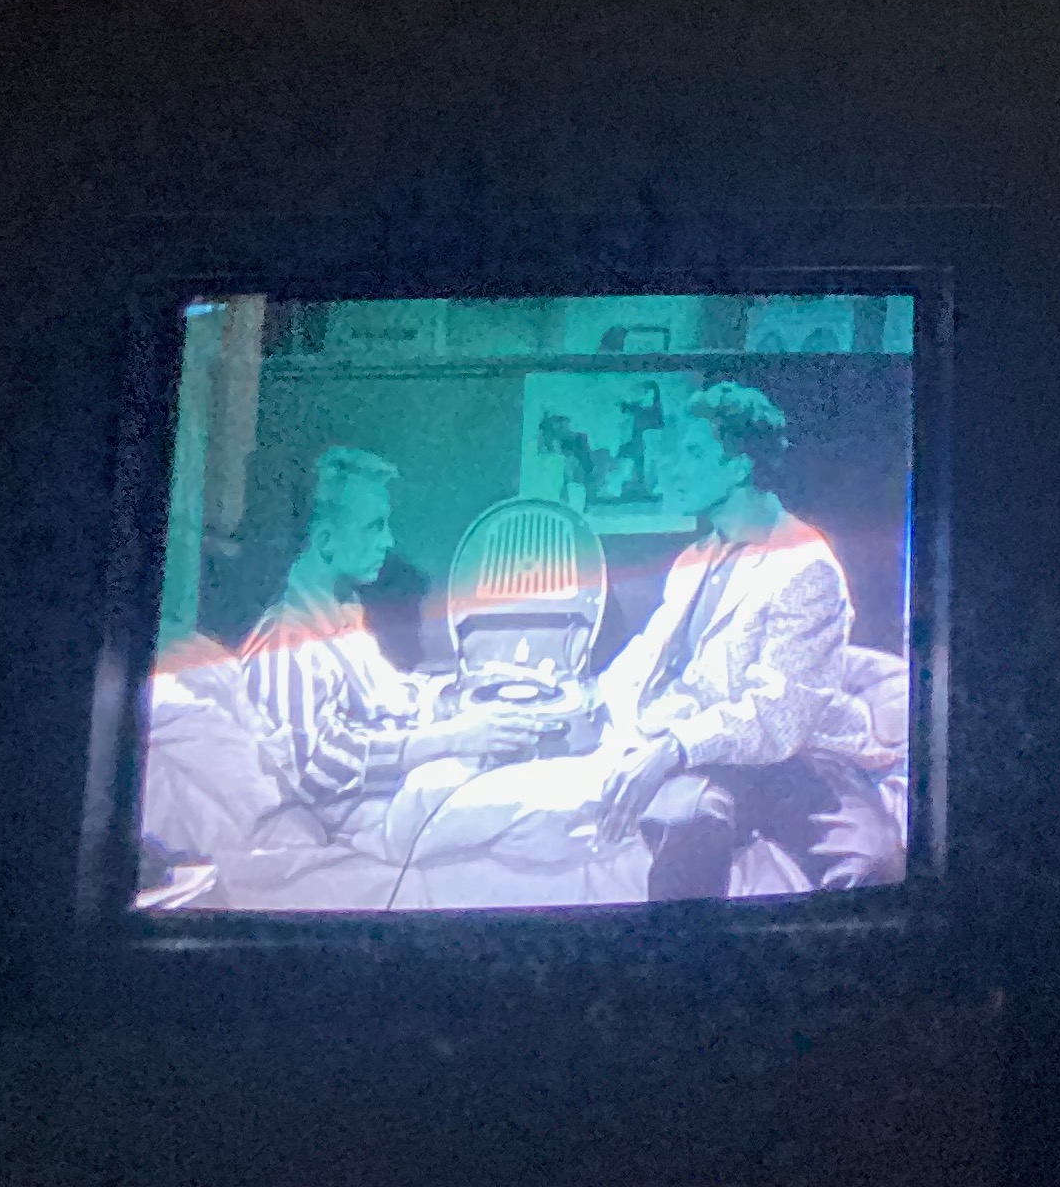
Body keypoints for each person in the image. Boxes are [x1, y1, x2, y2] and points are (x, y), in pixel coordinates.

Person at [388, 385, 902, 904]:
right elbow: (650, 654)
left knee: (873, 867)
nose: (670, 467)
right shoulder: (697, 557)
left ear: (740, 465)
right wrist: (575, 700)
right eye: (673, 451)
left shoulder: (804, 565)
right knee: (687, 828)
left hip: (800, 759)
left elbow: (779, 716)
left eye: (692, 452)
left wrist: (670, 750)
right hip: (707, 753)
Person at [236, 447, 527, 829]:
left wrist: (469, 690)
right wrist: (451, 739)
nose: (388, 541)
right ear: (326, 541)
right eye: (375, 527)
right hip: (349, 828)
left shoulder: (344, 619)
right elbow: (314, 770)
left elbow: (388, 701)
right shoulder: (287, 641)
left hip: (385, 807)